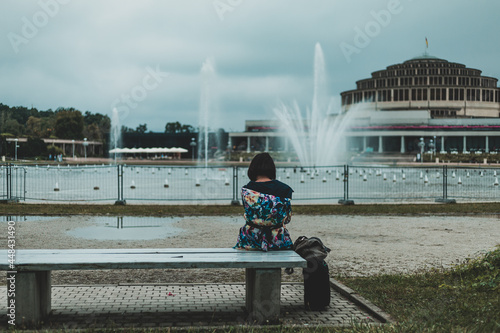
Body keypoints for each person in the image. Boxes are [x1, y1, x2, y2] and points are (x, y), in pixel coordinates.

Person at [234, 153, 294, 251]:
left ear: (252, 169)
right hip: (277, 241)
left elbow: (249, 213)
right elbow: (287, 218)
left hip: (251, 240)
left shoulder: (246, 190)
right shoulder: (285, 189)